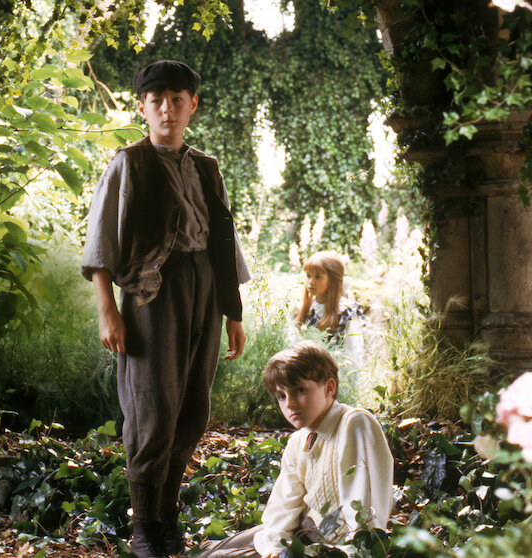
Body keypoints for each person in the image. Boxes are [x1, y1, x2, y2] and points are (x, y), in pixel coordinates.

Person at [80, 59, 250, 558]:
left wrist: (233, 312)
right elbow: (101, 244)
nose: (167, 109)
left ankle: (167, 518)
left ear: (192, 105)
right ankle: (144, 529)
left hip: (205, 291)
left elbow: (223, 241)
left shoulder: (206, 167)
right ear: (142, 107)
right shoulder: (128, 164)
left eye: (177, 100)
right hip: (152, 294)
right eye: (157, 100)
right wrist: (108, 311)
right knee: (153, 409)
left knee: (192, 409)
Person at [197, 341, 393, 557]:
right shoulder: (298, 441)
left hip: (330, 544)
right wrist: (275, 546)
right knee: (206, 551)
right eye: (281, 396)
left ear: (329, 388)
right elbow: (284, 504)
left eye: (300, 390)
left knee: (216, 557)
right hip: (300, 527)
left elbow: (364, 508)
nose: (289, 404)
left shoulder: (354, 423)